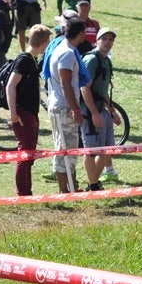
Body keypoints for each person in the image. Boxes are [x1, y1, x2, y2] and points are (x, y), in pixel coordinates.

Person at [5, 24, 52, 196]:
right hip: (23, 113)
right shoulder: (24, 60)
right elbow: (11, 86)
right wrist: (13, 114)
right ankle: (23, 192)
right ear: (44, 42)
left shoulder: (33, 60)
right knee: (24, 153)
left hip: (31, 113)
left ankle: (27, 190)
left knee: (29, 155)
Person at [47, 17, 86, 193]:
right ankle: (64, 191)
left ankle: (70, 187)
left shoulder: (62, 49)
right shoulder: (67, 53)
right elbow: (66, 84)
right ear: (80, 33)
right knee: (65, 149)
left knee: (68, 148)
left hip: (61, 106)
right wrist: (76, 109)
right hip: (64, 108)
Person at [80, 27, 119, 192]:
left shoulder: (106, 60)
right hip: (90, 111)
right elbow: (84, 87)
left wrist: (112, 110)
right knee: (91, 151)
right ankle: (93, 184)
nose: (107, 42)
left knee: (107, 149)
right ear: (97, 41)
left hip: (102, 109)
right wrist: (94, 113)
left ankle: (93, 183)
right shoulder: (92, 59)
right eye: (104, 39)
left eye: (110, 40)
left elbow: (102, 90)